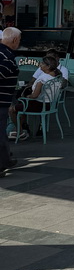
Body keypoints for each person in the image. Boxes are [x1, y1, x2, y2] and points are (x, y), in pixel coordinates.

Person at [9, 55, 63, 141]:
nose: (40, 65)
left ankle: (20, 131)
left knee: (12, 109)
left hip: (40, 105)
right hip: (51, 104)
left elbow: (35, 96)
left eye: (42, 63)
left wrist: (27, 96)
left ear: (48, 66)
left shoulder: (43, 78)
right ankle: (21, 129)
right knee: (22, 105)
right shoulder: (57, 77)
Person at [0, 27, 21, 176]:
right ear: (14, 40)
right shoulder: (6, 56)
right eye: (19, 40)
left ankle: (5, 160)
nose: (19, 43)